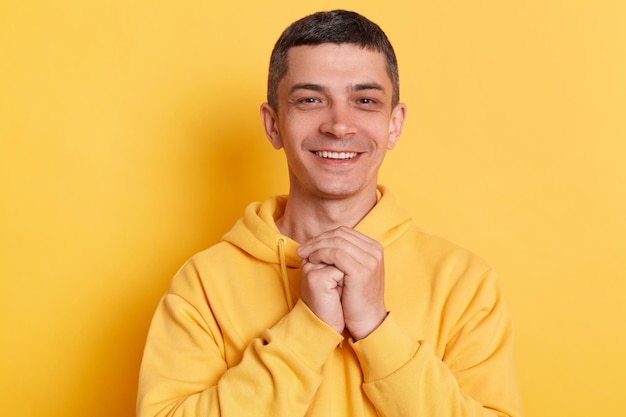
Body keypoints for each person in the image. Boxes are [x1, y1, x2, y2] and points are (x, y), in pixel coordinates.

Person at [137, 9, 524, 417]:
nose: (339, 126)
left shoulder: (465, 283)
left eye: (365, 101)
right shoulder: (202, 286)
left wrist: (377, 330)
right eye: (310, 100)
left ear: (394, 124)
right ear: (273, 125)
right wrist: (306, 331)